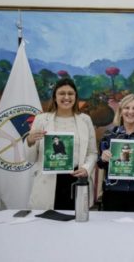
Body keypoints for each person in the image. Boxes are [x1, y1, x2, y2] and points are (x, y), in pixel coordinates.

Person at [25, 77, 98, 210]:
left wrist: (86, 169)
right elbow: (30, 158)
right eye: (62, 93)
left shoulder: (85, 120)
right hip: (48, 181)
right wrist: (30, 141)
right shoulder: (41, 120)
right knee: (48, 226)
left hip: (75, 180)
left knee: (77, 226)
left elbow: (92, 152)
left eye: (70, 93)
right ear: (54, 97)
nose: (66, 97)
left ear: (75, 97)